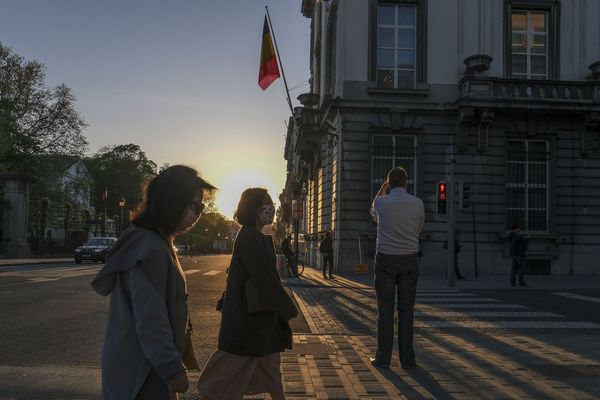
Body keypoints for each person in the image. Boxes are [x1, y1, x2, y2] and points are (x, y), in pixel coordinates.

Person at [91, 165, 215, 400]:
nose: (198, 214)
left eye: (202, 207)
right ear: (172, 201)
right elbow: (151, 317)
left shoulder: (155, 241)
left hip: (142, 362)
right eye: (195, 206)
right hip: (142, 368)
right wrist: (171, 367)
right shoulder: (149, 247)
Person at [197, 188, 298, 399]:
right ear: (254, 208)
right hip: (250, 318)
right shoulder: (250, 237)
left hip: (258, 315)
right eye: (267, 203)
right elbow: (264, 279)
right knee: (231, 367)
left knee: (269, 367)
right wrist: (288, 308)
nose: (273, 208)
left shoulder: (254, 235)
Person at [370, 167, 424, 370]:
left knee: (385, 310)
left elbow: (373, 213)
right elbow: (419, 228)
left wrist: (382, 189)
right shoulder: (418, 203)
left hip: (385, 258)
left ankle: (383, 359)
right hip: (410, 258)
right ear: (407, 182)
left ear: (389, 183)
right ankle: (407, 360)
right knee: (406, 311)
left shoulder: (382, 202)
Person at [508, 222, 529, 287]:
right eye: (519, 228)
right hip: (519, 254)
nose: (520, 229)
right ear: (516, 228)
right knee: (521, 269)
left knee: (513, 269)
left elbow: (514, 243)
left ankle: (512, 282)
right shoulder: (515, 234)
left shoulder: (511, 235)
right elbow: (518, 243)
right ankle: (521, 282)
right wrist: (526, 238)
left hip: (513, 254)